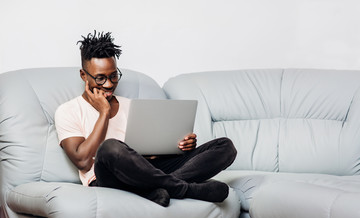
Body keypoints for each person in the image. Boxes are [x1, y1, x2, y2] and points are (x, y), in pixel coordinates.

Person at [55, 31, 237, 207]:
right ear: (83, 75)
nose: (109, 84)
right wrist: (104, 113)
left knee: (225, 147)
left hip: (149, 169)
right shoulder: (67, 111)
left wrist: (181, 146)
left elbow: (151, 150)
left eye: (113, 76)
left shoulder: (132, 106)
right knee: (110, 147)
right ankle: (184, 189)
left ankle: (157, 188)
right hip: (108, 176)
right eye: (101, 78)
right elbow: (83, 161)